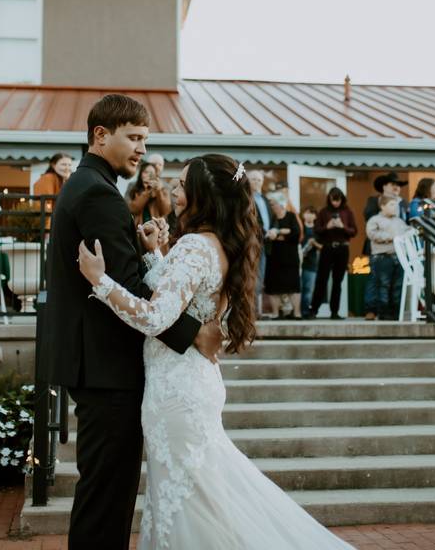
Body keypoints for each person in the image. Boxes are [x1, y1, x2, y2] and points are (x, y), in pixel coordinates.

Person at [77, 153, 353, 550]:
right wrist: (155, 253)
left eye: (182, 183)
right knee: (194, 499)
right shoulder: (214, 243)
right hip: (189, 382)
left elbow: (156, 316)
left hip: (177, 390)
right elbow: (183, 296)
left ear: (201, 194)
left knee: (187, 503)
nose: (173, 188)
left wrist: (100, 281)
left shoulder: (194, 246)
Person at [46, 94, 222, 550]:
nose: (143, 150)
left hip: (96, 364)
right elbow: (126, 291)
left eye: (146, 139)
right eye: (135, 138)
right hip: (108, 369)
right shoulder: (99, 195)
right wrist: (193, 332)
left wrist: (147, 252)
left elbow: (120, 277)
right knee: (106, 498)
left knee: (103, 491)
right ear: (101, 135)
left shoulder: (89, 186)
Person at [307, 187, 357, 320]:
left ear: (342, 199)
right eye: (333, 200)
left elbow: (354, 231)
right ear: (329, 199)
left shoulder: (347, 212)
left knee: (337, 281)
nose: (335, 203)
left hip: (342, 249)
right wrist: (327, 227)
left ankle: (334, 312)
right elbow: (317, 230)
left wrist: (342, 226)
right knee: (321, 280)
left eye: (338, 200)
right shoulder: (323, 212)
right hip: (327, 248)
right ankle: (314, 310)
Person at [364, 195, 408, 320]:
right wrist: (390, 236)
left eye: (396, 205)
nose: (395, 208)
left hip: (398, 257)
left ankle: (396, 312)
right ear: (382, 206)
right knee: (383, 285)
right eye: (392, 205)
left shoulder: (399, 221)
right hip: (382, 257)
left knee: (397, 285)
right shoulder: (375, 220)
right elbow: (371, 234)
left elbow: (406, 232)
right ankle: (384, 312)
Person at [264, 192, 302, 319]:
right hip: (273, 257)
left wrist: (279, 233)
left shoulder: (291, 216)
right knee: (273, 286)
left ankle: (297, 313)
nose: (271, 206)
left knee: (293, 285)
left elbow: (296, 234)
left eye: (273, 204)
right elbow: (265, 235)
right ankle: (275, 313)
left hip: (290, 258)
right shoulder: (270, 218)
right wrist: (284, 233)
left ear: (280, 204)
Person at [249, 169, 271, 315]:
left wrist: (274, 229)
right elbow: (252, 221)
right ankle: (250, 310)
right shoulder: (246, 199)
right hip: (252, 243)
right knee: (250, 276)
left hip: (266, 244)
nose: (257, 182)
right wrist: (265, 232)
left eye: (259, 180)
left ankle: (256, 310)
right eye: (254, 179)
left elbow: (270, 219)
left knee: (260, 277)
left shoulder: (265, 200)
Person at [299, 206, 321, 316]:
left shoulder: (318, 230)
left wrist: (314, 243)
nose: (309, 215)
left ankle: (305, 311)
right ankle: (296, 312)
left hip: (311, 263)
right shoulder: (300, 227)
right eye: (307, 213)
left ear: (315, 216)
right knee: (298, 288)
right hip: (298, 263)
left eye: (312, 213)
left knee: (308, 289)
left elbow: (322, 246)